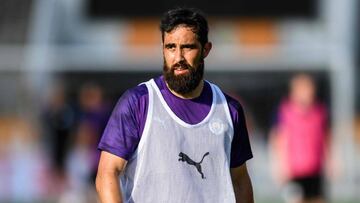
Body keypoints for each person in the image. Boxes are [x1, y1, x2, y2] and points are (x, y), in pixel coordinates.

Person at [96, 7, 254, 203]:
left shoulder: (229, 110)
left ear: (206, 49)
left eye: (187, 47)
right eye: (171, 47)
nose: (178, 58)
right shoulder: (138, 102)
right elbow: (107, 173)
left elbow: (239, 180)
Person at [269, 73, 330, 203]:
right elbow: (279, 138)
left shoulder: (319, 112)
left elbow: (325, 137)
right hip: (294, 170)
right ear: (294, 92)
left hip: (315, 168)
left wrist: (330, 160)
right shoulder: (285, 112)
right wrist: (280, 165)